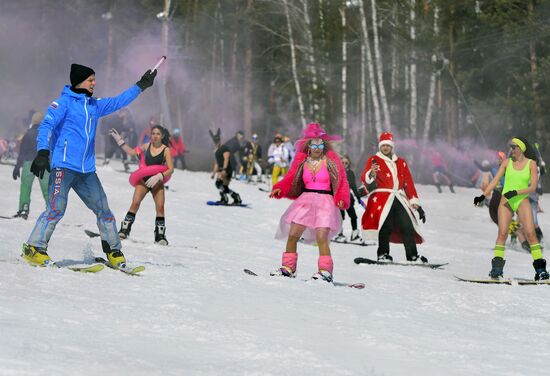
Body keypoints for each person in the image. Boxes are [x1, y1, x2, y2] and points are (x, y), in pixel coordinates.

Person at [21, 63, 157, 268]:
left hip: (86, 171)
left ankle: (113, 250)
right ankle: (34, 248)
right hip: (63, 167)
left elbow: (119, 101)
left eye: (94, 79)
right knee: (56, 209)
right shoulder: (63, 103)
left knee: (103, 210)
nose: (94, 83)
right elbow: (46, 125)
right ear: (79, 81)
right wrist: (42, 151)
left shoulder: (94, 105)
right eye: (90, 79)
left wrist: (140, 86)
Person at [269, 123, 349, 283]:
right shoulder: (302, 162)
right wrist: (280, 188)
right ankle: (288, 268)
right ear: (308, 146)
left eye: (320, 144)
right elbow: (290, 178)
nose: (317, 148)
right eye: (314, 145)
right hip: (305, 201)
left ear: (324, 145)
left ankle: (325, 272)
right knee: (293, 235)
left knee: (322, 237)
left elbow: (341, 182)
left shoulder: (331, 161)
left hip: (325, 202)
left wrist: (341, 198)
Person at [474, 137, 548, 280]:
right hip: (505, 201)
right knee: (502, 234)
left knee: (531, 235)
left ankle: (541, 271)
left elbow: (532, 187)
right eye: (511, 147)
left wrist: (516, 192)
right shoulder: (507, 163)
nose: (511, 150)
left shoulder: (531, 164)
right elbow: (495, 180)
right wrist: (482, 196)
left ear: (521, 148)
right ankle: (496, 270)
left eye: (514, 147)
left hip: (521, 200)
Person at [361, 132, 428, 263]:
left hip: (398, 198)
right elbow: (365, 178)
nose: (385, 148)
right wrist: (371, 174)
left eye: (388, 145)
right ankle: (383, 254)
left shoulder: (401, 162)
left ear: (392, 147)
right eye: (383, 145)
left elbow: (408, 183)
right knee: (385, 226)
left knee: (407, 225)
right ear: (380, 146)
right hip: (381, 198)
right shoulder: (374, 160)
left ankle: (413, 256)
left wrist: (416, 204)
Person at [110, 125, 174, 245]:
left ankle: (160, 236)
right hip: (143, 180)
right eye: (153, 133)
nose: (155, 136)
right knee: (135, 203)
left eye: (158, 134)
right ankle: (124, 230)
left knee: (160, 207)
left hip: (157, 182)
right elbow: (131, 152)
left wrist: (159, 176)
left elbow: (171, 169)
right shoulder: (146, 146)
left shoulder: (166, 150)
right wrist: (120, 140)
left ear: (162, 136)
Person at [12, 111, 49, 219]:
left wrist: (17, 166)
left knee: (25, 187)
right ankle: (51, 210)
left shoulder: (27, 134)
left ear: (33, 121)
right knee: (47, 189)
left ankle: (24, 209)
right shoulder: (46, 134)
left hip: (28, 163)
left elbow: (22, 151)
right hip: (43, 163)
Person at [334, 155, 364, 243]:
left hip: (348, 198)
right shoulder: (336, 172)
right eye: (342, 163)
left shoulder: (350, 173)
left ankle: (354, 234)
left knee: (353, 216)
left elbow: (353, 186)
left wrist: (358, 197)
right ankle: (339, 233)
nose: (344, 164)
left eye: (346, 163)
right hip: (339, 197)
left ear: (349, 163)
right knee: (340, 216)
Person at [209, 128, 242, 205]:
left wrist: (224, 170)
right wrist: (214, 173)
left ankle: (230, 197)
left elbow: (226, 159)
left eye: (217, 141)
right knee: (223, 186)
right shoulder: (216, 151)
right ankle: (231, 197)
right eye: (215, 141)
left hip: (227, 169)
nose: (216, 143)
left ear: (219, 140)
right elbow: (217, 163)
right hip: (222, 169)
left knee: (219, 184)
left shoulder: (224, 148)